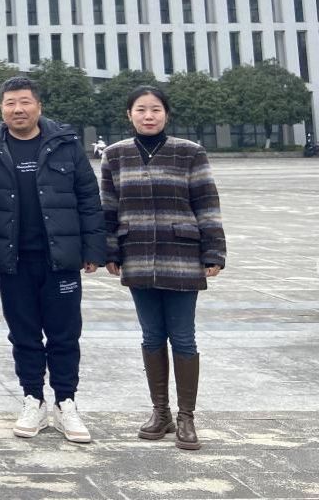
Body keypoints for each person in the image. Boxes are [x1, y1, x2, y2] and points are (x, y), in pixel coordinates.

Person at [0, 75, 106, 444]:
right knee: (24, 335)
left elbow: (88, 198)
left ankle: (66, 403)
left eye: (25, 102)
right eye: (11, 103)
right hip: (13, 261)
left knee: (65, 335)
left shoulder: (65, 144)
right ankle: (33, 398)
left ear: (38, 106)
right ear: (2, 108)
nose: (18, 109)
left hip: (60, 259)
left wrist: (93, 250)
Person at [100, 86, 227, 450]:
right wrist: (110, 250)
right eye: (141, 109)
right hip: (137, 254)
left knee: (183, 336)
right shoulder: (115, 155)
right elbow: (108, 208)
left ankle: (187, 417)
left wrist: (213, 252)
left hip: (181, 255)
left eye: (155, 109)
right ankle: (161, 412)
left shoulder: (190, 152)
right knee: (151, 336)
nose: (148, 116)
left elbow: (207, 202)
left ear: (166, 114)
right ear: (129, 114)